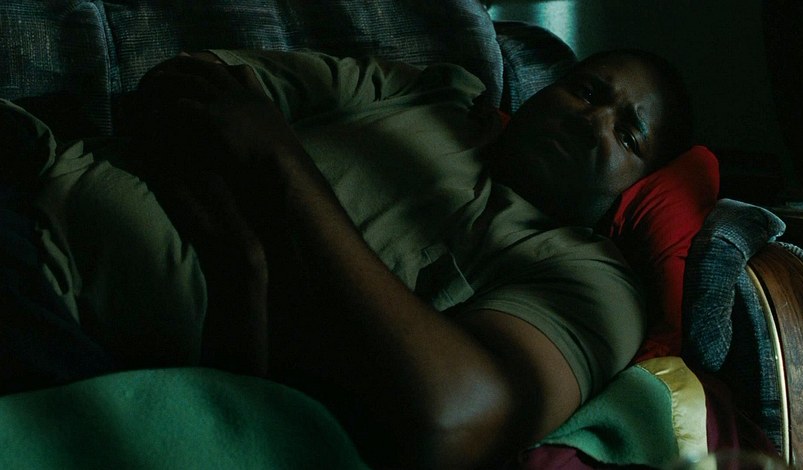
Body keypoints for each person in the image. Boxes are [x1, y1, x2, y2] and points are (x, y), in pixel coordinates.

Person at [12, 47, 693, 469]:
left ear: (641, 183)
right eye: (587, 90)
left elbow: (449, 420)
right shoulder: (429, 93)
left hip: (68, 328)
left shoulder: (589, 279)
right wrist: (239, 255)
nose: (592, 120)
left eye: (628, 132)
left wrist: (279, 164)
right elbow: (185, 86)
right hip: (31, 180)